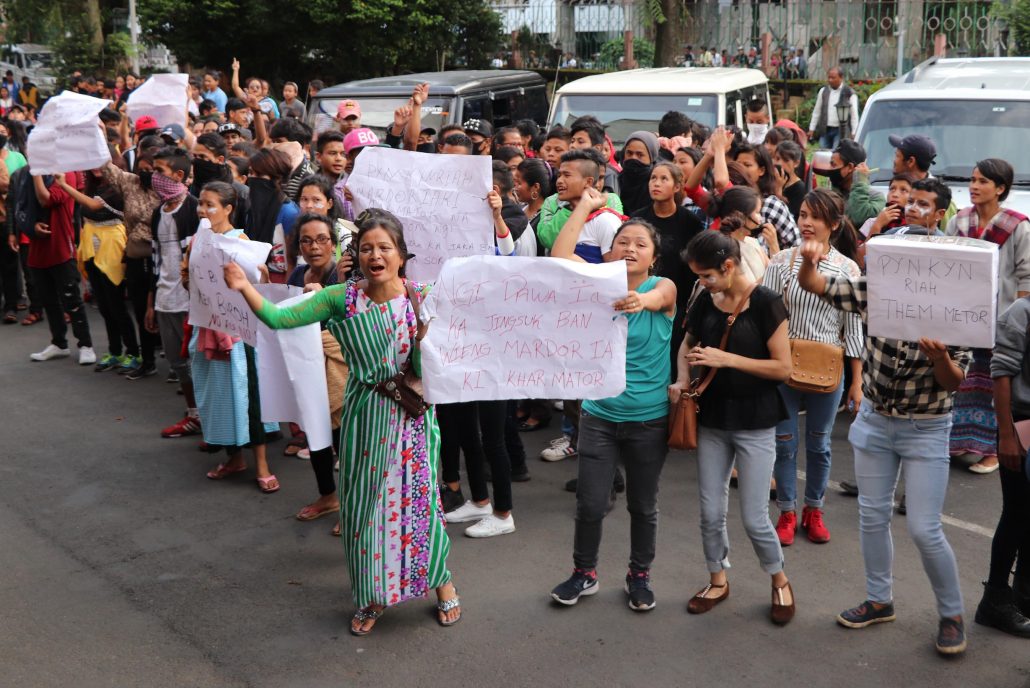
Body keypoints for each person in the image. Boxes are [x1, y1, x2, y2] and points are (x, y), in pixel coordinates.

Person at [223, 207, 461, 635]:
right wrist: (244, 287)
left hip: (413, 419)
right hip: (365, 418)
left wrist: (426, 339)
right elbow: (280, 319)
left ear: (401, 255)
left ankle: (441, 583)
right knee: (366, 510)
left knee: (421, 507)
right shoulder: (342, 298)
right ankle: (372, 595)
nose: (376, 255)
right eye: (366, 248)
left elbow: (432, 372)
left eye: (384, 248)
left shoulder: (423, 297)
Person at [795, 238, 971, 656]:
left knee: (924, 529)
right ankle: (879, 600)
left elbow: (954, 382)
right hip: (875, 420)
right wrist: (807, 261)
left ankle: (952, 614)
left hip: (926, 428)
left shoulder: (957, 310)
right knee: (872, 517)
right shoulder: (875, 289)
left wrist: (940, 358)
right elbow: (814, 285)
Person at [549, 187, 677, 611]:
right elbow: (559, 253)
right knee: (589, 504)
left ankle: (639, 576)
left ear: (653, 256)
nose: (630, 249)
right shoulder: (596, 280)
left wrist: (643, 300)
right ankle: (583, 574)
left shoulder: (663, 287)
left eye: (640, 244)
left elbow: (662, 298)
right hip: (599, 415)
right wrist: (585, 207)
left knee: (643, 505)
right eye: (622, 241)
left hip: (648, 419)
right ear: (609, 248)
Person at [672, 230, 795, 626]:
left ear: (729, 266)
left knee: (755, 516)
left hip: (756, 419)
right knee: (710, 510)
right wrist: (680, 377)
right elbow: (686, 343)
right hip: (712, 417)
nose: (702, 284)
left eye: (707, 276)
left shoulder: (765, 303)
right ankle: (717, 578)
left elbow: (783, 368)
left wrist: (728, 359)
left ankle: (779, 579)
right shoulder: (705, 297)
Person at [761, 189, 863, 546]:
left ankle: (813, 509)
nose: (805, 222)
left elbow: (853, 327)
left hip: (829, 369)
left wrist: (857, 382)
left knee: (820, 444)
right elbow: (764, 315)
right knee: (784, 442)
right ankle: (787, 512)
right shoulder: (781, 261)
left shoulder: (848, 268)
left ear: (833, 225)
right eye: (802, 214)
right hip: (783, 366)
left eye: (815, 217)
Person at [186, 182, 277, 494]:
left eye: (210, 205)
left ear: (228, 209)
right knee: (221, 398)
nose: (203, 210)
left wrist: (260, 275)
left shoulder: (241, 243)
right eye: (201, 204)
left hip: (240, 335)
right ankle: (234, 457)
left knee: (250, 397)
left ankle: (262, 465)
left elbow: (259, 284)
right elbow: (193, 287)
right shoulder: (198, 240)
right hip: (209, 328)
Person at [947, 158, 1030, 474]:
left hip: (1001, 322)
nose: (973, 186)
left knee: (995, 389)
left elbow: (1026, 277)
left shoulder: (1017, 226)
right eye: (972, 179)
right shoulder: (960, 222)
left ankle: (993, 451)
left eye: (982, 181)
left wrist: (1018, 326)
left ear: (1000, 188)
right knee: (963, 383)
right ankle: (958, 444)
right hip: (965, 319)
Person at [976, 294, 1030, 637]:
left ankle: (1022, 595)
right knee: (1017, 513)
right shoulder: (1021, 312)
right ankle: (995, 599)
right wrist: (1007, 435)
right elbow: (1001, 373)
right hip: (1021, 428)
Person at [57, 165, 139, 373]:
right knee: (104, 305)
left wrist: (64, 185)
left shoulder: (117, 186)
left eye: (100, 163)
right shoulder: (92, 185)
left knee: (116, 304)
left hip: (112, 247)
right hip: (92, 246)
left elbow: (93, 206)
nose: (96, 168)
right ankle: (114, 351)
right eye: (91, 163)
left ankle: (133, 353)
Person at [634, 160, 703, 361]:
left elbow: (695, 264)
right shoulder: (640, 219)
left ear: (677, 187)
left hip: (680, 304)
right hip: (643, 298)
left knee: (672, 355)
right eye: (653, 178)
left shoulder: (690, 222)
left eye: (664, 179)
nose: (656, 183)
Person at [26, 172, 96, 365]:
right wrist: (31, 226)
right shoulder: (26, 173)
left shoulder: (65, 173)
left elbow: (45, 199)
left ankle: (86, 345)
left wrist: (36, 174)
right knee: (48, 300)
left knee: (71, 300)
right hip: (37, 250)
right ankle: (59, 343)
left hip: (61, 248)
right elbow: (20, 205)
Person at [245, 148, 300, 281]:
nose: (253, 179)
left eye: (260, 175)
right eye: (251, 173)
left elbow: (292, 262)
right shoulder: (252, 209)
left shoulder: (289, 213)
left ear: (277, 178)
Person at [816, 139, 884, 229]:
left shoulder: (876, 197)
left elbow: (857, 217)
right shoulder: (829, 195)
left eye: (833, 165)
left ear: (850, 167)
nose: (830, 169)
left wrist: (860, 183)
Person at [807, 67, 859, 148]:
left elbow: (854, 114)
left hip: (841, 131)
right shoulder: (823, 91)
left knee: (836, 154)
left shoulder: (849, 93)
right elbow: (817, 111)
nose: (830, 80)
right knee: (823, 154)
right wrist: (811, 129)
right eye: (829, 77)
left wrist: (854, 132)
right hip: (825, 130)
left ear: (841, 78)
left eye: (833, 78)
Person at [618, 131, 659, 215]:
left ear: (651, 157)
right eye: (629, 153)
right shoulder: (617, 180)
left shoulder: (656, 184)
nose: (633, 158)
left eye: (640, 155)